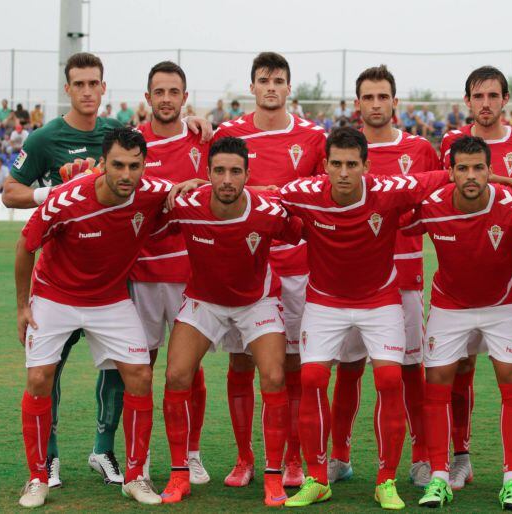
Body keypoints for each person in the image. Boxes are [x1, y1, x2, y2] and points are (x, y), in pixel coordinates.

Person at [1, 51, 212, 489]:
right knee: (47, 371)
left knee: (129, 370)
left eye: (93, 83)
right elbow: (13, 200)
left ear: (104, 87)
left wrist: (201, 123)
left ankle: (108, 451)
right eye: (78, 84)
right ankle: (49, 461)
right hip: (62, 284)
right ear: (68, 89)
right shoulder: (46, 139)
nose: (86, 91)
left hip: (121, 282)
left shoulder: (126, 135)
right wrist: (57, 196)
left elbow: (171, 184)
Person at [279, 127, 451, 509]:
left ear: (366, 166)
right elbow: (258, 193)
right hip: (324, 300)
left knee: (390, 378)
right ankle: (317, 477)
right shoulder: (305, 193)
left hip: (380, 299)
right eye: (336, 164)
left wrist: (507, 180)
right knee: (312, 378)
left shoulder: (388, 190)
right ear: (324, 166)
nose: (343, 172)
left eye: (351, 164)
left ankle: (385, 480)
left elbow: (450, 174)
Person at [158, 137, 302, 506]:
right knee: (175, 375)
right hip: (204, 300)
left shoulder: (267, 211)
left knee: (273, 375)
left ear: (247, 175)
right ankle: (179, 476)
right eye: (219, 171)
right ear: (206, 175)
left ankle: (273, 477)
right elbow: (153, 208)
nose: (226, 179)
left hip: (257, 301)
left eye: (235, 172)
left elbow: (297, 230)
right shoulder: (186, 205)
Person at [402, 136, 512, 510]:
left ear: (491, 171)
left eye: (479, 167)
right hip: (450, 306)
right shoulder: (432, 207)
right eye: (462, 168)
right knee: (437, 386)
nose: (471, 175)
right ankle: (440, 478)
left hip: (504, 304)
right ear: (450, 172)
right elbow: (391, 220)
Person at [211, 51, 327, 489]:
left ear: (289, 87)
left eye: (279, 80)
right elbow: (214, 184)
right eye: (264, 80)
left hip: (297, 267)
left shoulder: (314, 136)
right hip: (245, 265)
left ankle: (293, 458)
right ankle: (244, 458)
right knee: (241, 362)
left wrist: (283, 193)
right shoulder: (228, 133)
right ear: (253, 87)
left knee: (290, 365)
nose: (272, 86)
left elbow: (322, 192)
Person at [327, 64, 441, 488]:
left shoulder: (420, 149)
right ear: (357, 104)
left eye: (383, 97)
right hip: (350, 280)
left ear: (395, 102)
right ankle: (339, 455)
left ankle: (421, 456)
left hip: (404, 278)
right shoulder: (342, 153)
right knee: (349, 367)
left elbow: (435, 207)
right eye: (368, 97)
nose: (376, 104)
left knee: (409, 370)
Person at [440, 65, 512, 493]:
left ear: (506, 101)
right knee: (460, 368)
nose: (485, 103)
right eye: (477, 96)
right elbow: (444, 190)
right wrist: (504, 178)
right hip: (462, 272)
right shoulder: (451, 143)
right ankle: (460, 458)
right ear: (467, 101)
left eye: (493, 96)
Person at [129, 60, 212, 483]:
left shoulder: (203, 140)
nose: (165, 99)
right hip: (140, 276)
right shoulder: (131, 145)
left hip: (187, 275)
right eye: (158, 92)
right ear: (148, 98)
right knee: (140, 370)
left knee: (190, 370)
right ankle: (138, 460)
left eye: (173, 92)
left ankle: (192, 454)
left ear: (184, 97)